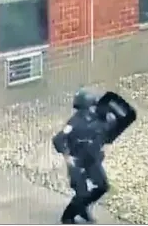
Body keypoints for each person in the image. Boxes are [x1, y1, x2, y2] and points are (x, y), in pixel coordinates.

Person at [52, 89, 116, 224]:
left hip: (92, 160)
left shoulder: (97, 119)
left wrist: (104, 147)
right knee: (82, 192)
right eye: (91, 105)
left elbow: (106, 133)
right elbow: (58, 139)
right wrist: (67, 156)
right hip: (77, 161)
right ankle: (68, 216)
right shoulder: (74, 122)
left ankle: (82, 207)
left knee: (102, 186)